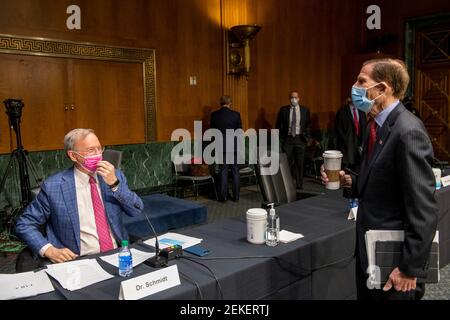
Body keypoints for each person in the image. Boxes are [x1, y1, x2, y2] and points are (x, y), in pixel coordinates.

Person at [321, 58, 438, 300]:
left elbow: (423, 209)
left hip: (395, 262)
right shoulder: (374, 125)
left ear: (383, 89)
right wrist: (349, 182)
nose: (354, 86)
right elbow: (381, 180)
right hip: (371, 252)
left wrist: (409, 269)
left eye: (362, 81)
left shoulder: (408, 131)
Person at [15, 128, 143, 263]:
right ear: (73, 156)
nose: (98, 154)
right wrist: (49, 250)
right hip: (78, 260)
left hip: (118, 253)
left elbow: (136, 210)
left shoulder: (114, 176)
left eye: (100, 149)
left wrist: (115, 185)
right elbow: (25, 224)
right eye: (91, 150)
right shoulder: (54, 186)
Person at [276, 91, 312, 189]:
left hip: (300, 139)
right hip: (288, 140)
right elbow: (278, 125)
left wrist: (308, 138)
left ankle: (299, 185)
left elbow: (308, 125)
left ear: (299, 98)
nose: (294, 99)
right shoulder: (283, 110)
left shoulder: (305, 110)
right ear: (289, 99)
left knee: (299, 164)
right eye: (292, 97)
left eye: (295, 97)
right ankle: (288, 185)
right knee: (287, 164)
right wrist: (282, 138)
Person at [210, 95, 242, 202]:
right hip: (233, 147)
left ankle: (223, 196)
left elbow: (212, 131)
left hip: (220, 146)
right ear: (230, 103)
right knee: (235, 170)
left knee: (223, 170)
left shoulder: (214, 115)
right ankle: (236, 196)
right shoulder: (236, 115)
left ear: (220, 103)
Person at [334, 97, 367, 173]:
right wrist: (345, 140)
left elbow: (364, 125)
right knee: (348, 164)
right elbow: (338, 128)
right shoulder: (342, 111)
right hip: (347, 142)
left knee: (358, 163)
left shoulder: (361, 111)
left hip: (360, 141)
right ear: (349, 99)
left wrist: (363, 140)